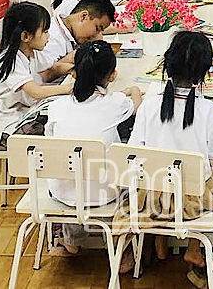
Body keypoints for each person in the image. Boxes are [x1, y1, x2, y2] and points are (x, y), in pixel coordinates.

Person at [126, 31, 213, 287]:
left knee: (154, 171)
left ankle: (159, 240)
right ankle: (194, 247)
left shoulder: (149, 105)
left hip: (149, 200)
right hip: (192, 205)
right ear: (205, 72)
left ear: (167, 64)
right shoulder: (210, 111)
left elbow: (134, 152)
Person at [45, 40, 141, 261]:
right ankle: (122, 248)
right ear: (113, 76)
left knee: (72, 171)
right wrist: (134, 91)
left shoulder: (56, 106)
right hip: (106, 194)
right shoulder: (116, 103)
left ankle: (71, 240)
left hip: (61, 193)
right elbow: (137, 107)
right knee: (131, 176)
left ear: (75, 74)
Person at [0, 2, 72, 149]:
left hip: (22, 113)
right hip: (4, 129)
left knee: (62, 119)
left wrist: (75, 70)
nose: (48, 36)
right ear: (25, 36)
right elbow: (36, 92)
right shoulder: (10, 61)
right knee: (58, 134)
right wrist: (69, 88)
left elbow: (55, 67)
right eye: (45, 31)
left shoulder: (32, 52)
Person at [36, 0, 115, 82]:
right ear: (84, 16)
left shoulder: (71, 33)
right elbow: (45, 75)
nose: (96, 35)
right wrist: (77, 55)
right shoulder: (51, 36)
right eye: (97, 28)